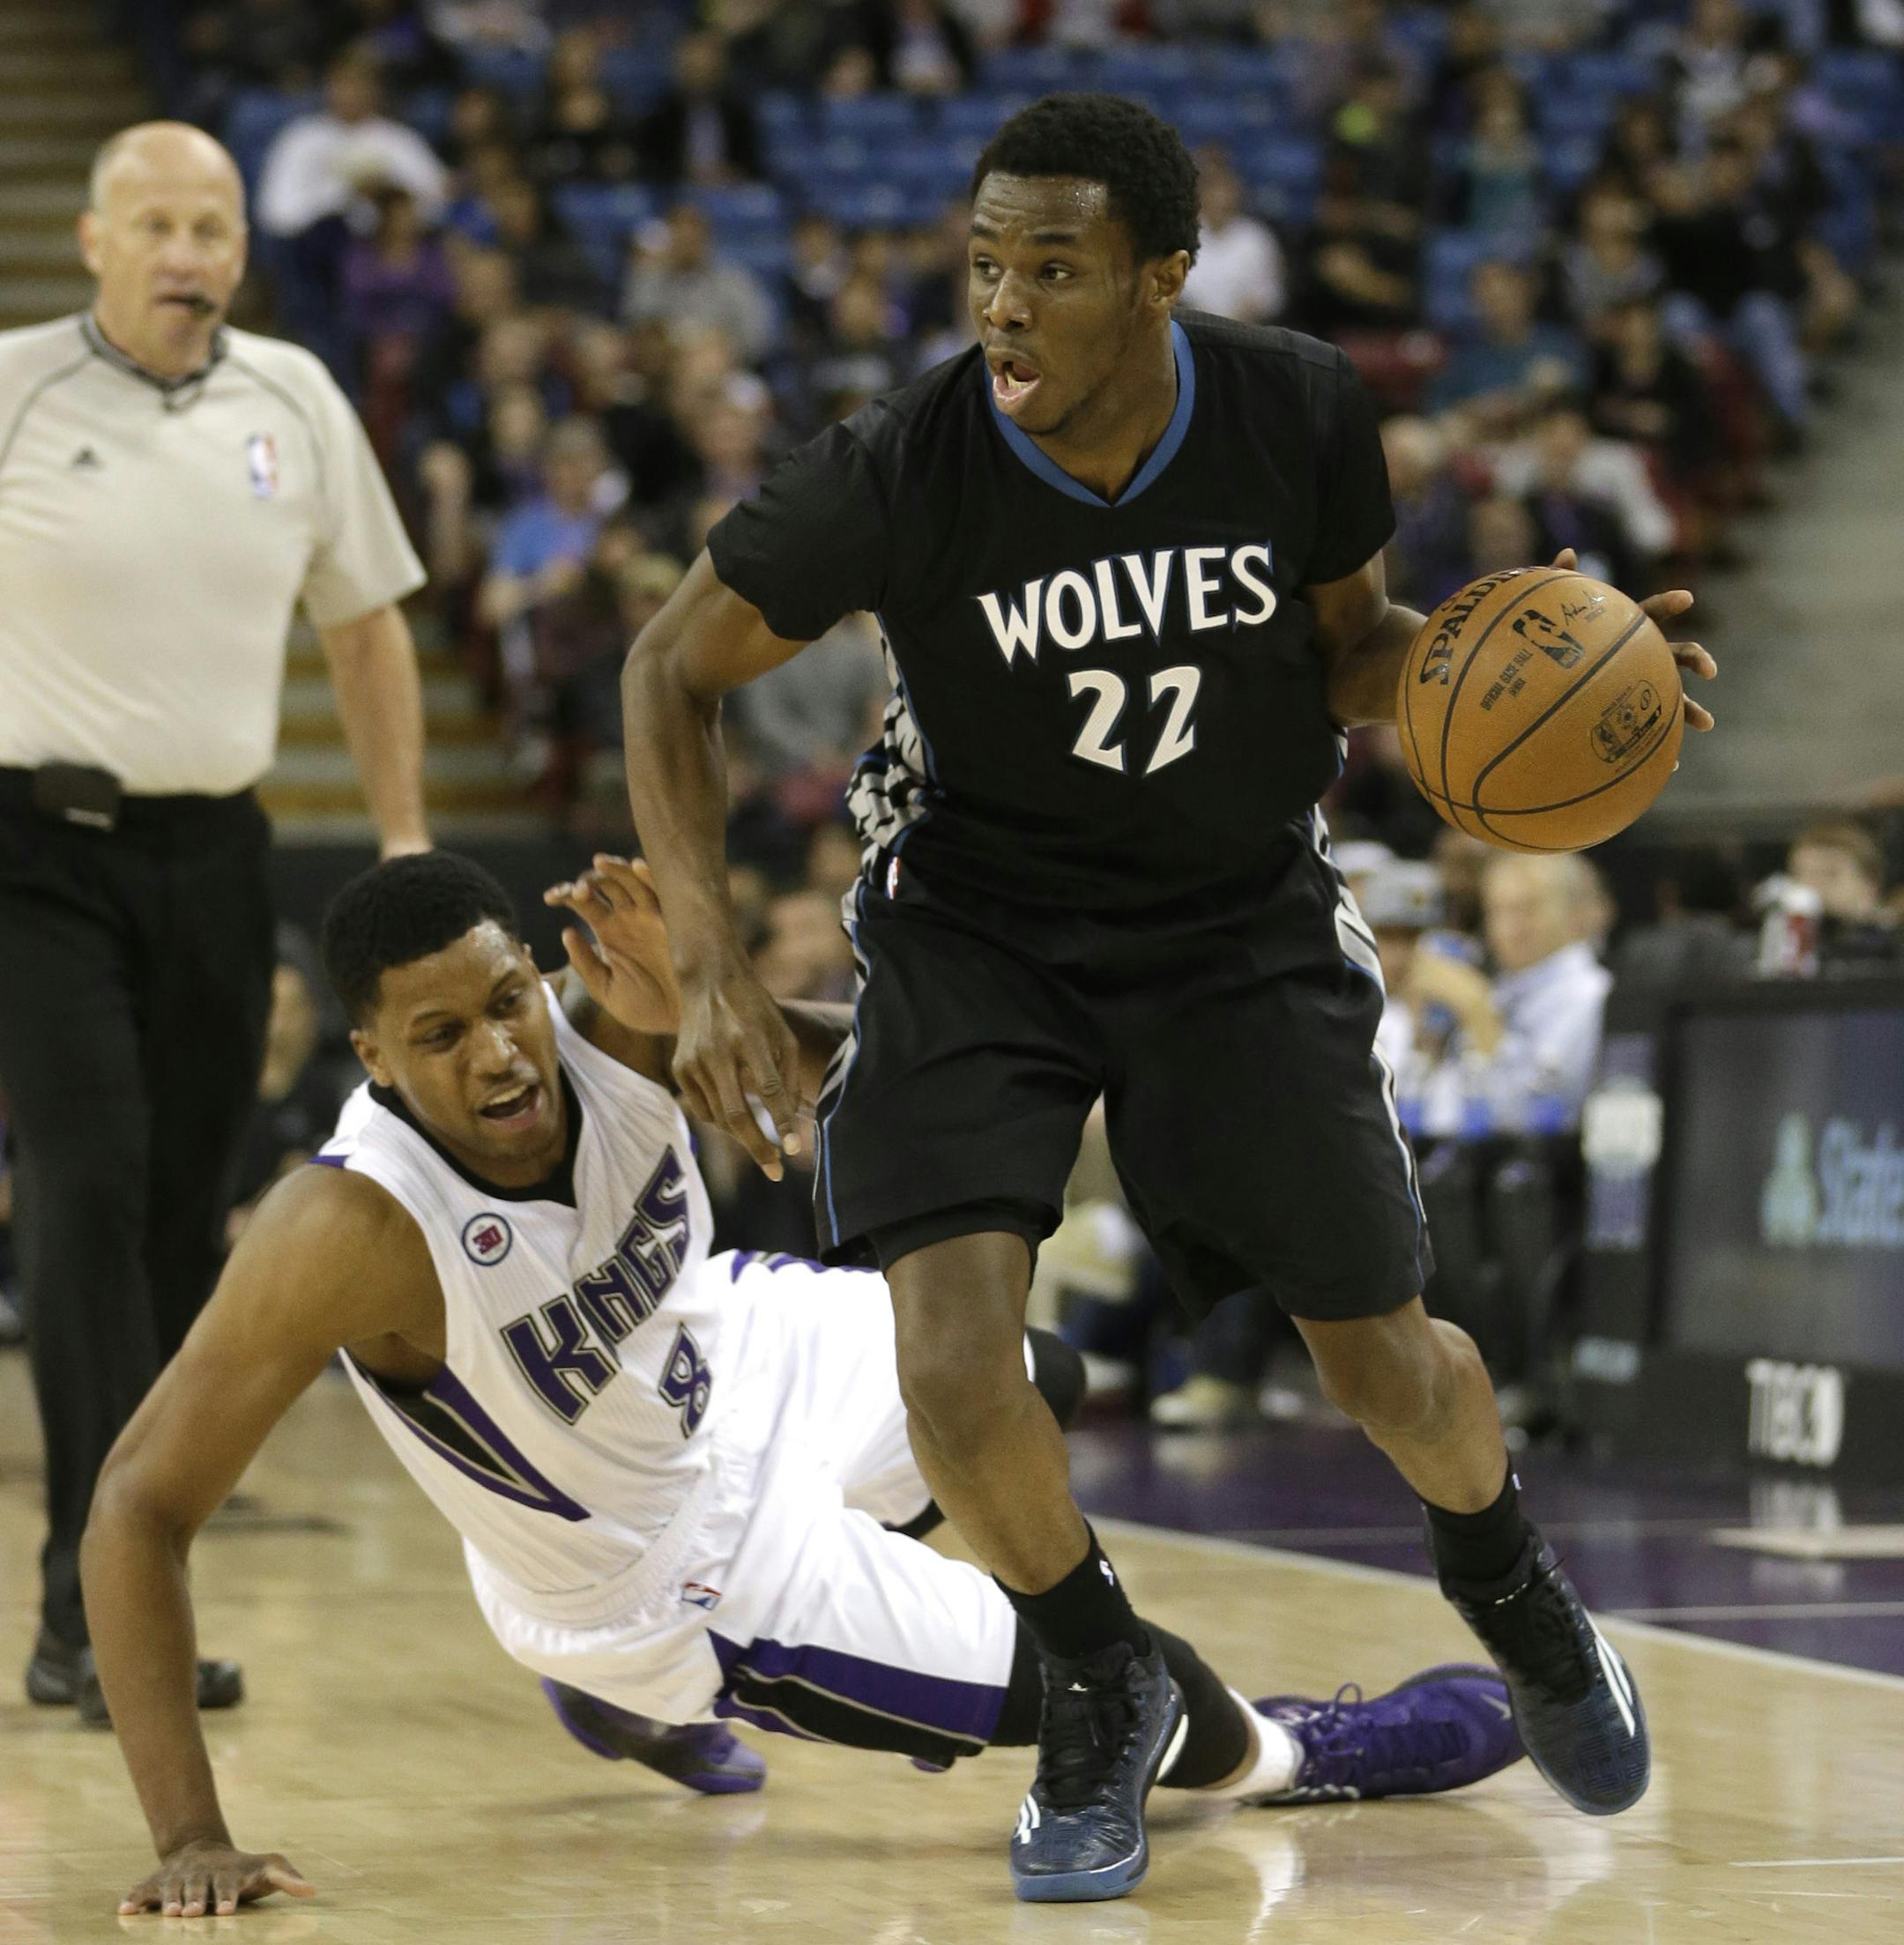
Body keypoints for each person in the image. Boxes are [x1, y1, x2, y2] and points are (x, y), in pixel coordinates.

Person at [619, 93, 1717, 1902]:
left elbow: (1350, 650)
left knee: (1389, 1363)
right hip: (979, 920)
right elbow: (671, 670)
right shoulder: (902, 464)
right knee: (955, 1361)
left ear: (1163, 278)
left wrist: (1542, 674)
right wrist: (716, 956)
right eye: (984, 266)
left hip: (1234, 914)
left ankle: (1510, 1582)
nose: (1004, 307)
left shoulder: (1293, 407)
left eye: (1053, 270)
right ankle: (1101, 1674)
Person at [82, 852, 1523, 1918]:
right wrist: (188, 1833)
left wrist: (725, 1001)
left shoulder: (619, 1019)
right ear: (375, 1059)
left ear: (537, 971)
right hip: (665, 1573)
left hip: (740, 1356)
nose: (503, 1052)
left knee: (1027, 1377)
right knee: (1131, 1687)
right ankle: (1294, 1751)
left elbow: (871, 1065)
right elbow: (138, 1505)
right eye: (442, 1038)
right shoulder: (343, 1230)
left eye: (508, 1002)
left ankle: (634, 1710)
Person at [0, 122, 430, 1718]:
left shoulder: (295, 400)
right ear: (97, 244)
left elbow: (371, 627)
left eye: (216, 225)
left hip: (215, 852)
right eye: (160, 224)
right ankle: (82, 1611)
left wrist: (399, 843)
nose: (191, 252)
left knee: (188, 1213)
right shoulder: (17, 388)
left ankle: (132, 1576)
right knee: (89, 1174)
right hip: (32, 852)